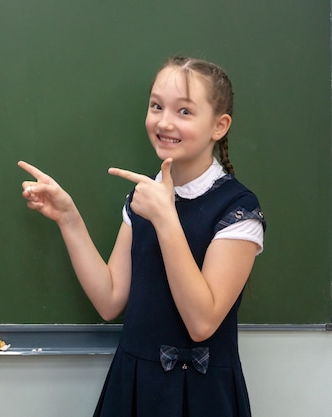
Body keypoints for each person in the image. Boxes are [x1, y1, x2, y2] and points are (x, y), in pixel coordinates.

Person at [18, 56, 265, 417]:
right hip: (133, 384)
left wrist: (166, 219)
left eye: (184, 111)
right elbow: (110, 299)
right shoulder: (143, 197)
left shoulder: (238, 208)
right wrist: (68, 218)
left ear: (219, 125)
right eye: (156, 106)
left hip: (200, 393)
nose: (164, 122)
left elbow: (202, 323)